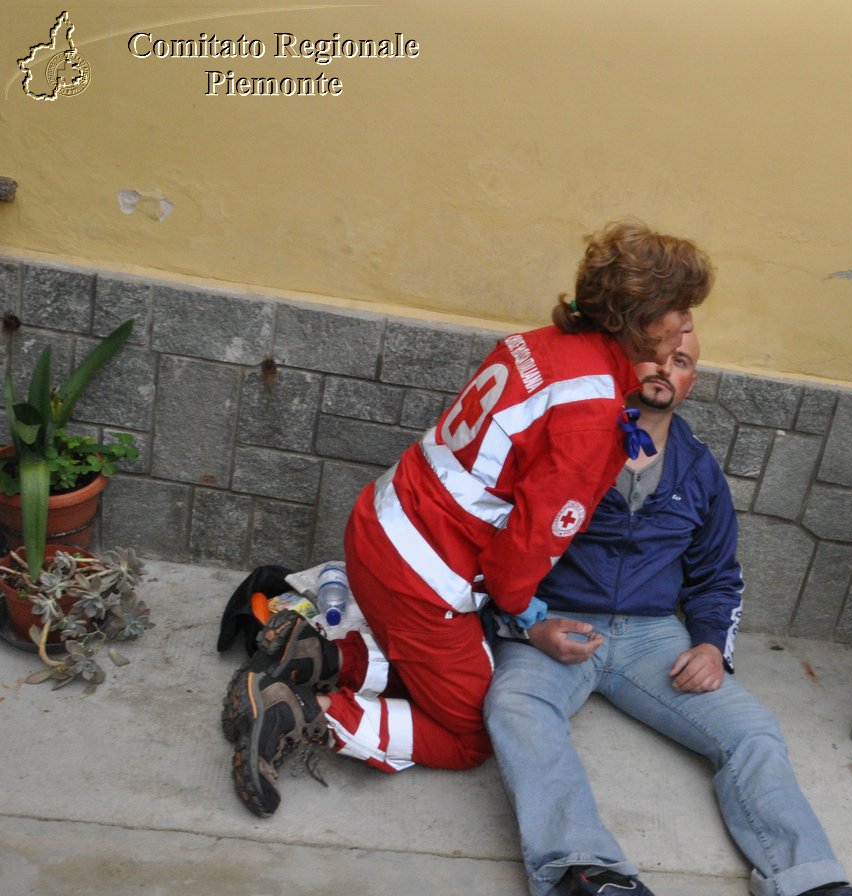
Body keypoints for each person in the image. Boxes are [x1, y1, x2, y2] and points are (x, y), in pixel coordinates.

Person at [482, 330, 852, 896]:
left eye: (683, 361)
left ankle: (819, 891)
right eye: (654, 354)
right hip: (556, 622)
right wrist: (528, 622)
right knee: (514, 704)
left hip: (650, 637)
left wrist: (709, 645)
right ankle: (600, 884)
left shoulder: (698, 469)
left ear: (693, 381)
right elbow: (497, 539)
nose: (666, 368)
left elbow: (718, 573)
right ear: (623, 361)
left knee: (750, 729)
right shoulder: (573, 435)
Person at [224, 222, 714, 817]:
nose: (688, 325)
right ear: (639, 319)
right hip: (422, 582)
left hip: (377, 529)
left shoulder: (536, 344)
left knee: (444, 667)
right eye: (679, 311)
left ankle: (319, 656)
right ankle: (300, 714)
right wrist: (530, 618)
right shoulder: (593, 418)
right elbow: (517, 566)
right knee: (471, 734)